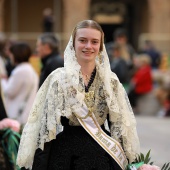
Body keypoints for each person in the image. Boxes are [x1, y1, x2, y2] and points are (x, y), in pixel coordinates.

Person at [17, 20, 140, 170]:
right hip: (64, 155)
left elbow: (119, 128)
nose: (88, 46)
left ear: (100, 46)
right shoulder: (58, 79)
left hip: (101, 153)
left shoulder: (110, 81)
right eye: (82, 40)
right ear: (73, 43)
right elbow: (46, 129)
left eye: (94, 42)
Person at [1, 42, 39, 125]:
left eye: (11, 54)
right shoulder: (30, 69)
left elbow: (9, 92)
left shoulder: (20, 71)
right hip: (26, 113)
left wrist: (3, 80)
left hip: (16, 114)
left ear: (16, 55)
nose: (10, 57)